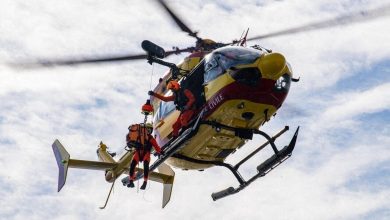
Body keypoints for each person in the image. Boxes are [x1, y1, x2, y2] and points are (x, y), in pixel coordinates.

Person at [127, 123, 162, 190]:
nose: (148, 131)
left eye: (149, 130)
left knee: (146, 166)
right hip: (138, 152)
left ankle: (145, 182)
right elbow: (130, 142)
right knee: (132, 165)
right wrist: (131, 144)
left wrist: (160, 152)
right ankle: (131, 181)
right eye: (147, 129)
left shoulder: (151, 138)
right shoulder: (139, 136)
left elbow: (156, 147)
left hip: (146, 153)